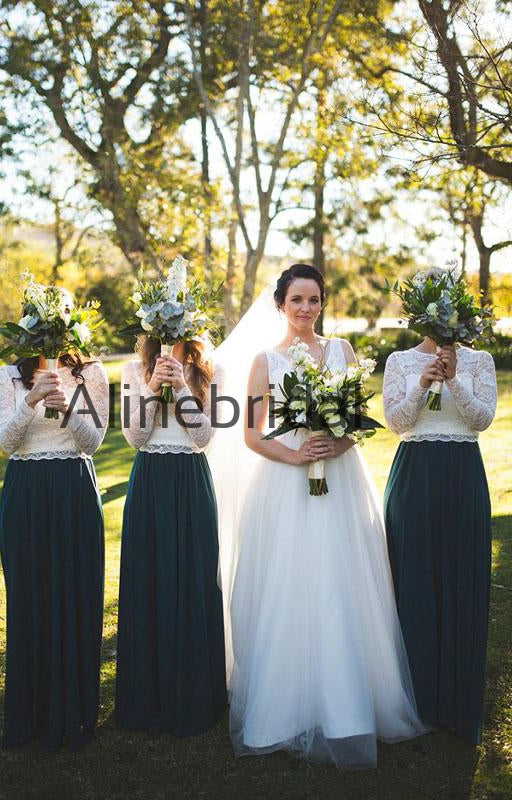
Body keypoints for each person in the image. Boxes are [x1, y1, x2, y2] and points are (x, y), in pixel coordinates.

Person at [209, 263, 427, 769]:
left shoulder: (342, 353)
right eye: (297, 300)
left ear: (322, 304)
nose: (306, 309)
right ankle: (284, 709)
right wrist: (294, 457)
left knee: (340, 583)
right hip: (286, 485)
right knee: (291, 585)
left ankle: (350, 707)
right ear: (281, 304)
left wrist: (336, 440)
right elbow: (251, 435)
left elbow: (356, 426)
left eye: (314, 300)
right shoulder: (265, 361)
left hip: (340, 484)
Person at [383, 310, 497, 743]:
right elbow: (397, 422)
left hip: (463, 474)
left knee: (462, 577)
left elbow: (482, 420)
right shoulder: (399, 361)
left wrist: (452, 380)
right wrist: (424, 382)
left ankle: (458, 699)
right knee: (413, 579)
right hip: (414, 476)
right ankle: (419, 700)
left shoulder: (481, 361)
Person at [0, 343, 109, 751]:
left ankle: (73, 713)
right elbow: (7, 443)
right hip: (25, 493)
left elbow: (92, 442)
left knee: (76, 597)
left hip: (73, 489)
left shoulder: (89, 375)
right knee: (30, 599)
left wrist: (67, 406)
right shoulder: (5, 376)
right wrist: (31, 400)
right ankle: (31, 714)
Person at [116, 336, 226, 736]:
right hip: (149, 481)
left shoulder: (211, 371)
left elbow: (203, 436)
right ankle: (146, 697)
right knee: (149, 582)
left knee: (193, 582)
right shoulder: (133, 369)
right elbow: (135, 438)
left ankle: (194, 694)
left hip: (190, 481)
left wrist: (180, 388)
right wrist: (149, 388)